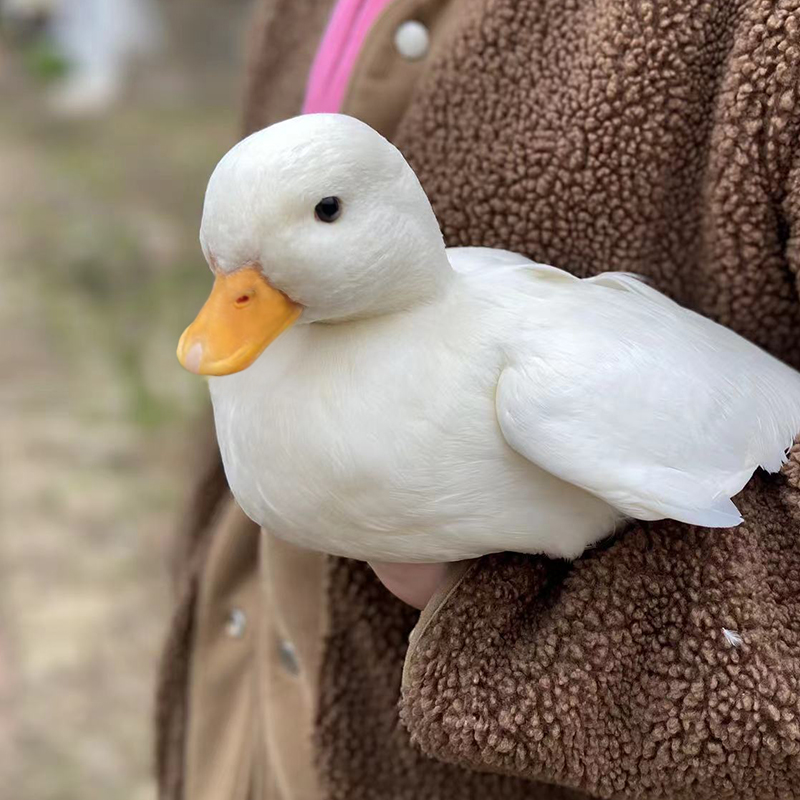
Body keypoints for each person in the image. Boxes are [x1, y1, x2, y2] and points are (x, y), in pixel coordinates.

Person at [156, 1, 800, 798]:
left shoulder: (549, 375)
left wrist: (492, 629)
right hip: (252, 714)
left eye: (326, 214)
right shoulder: (298, 17)